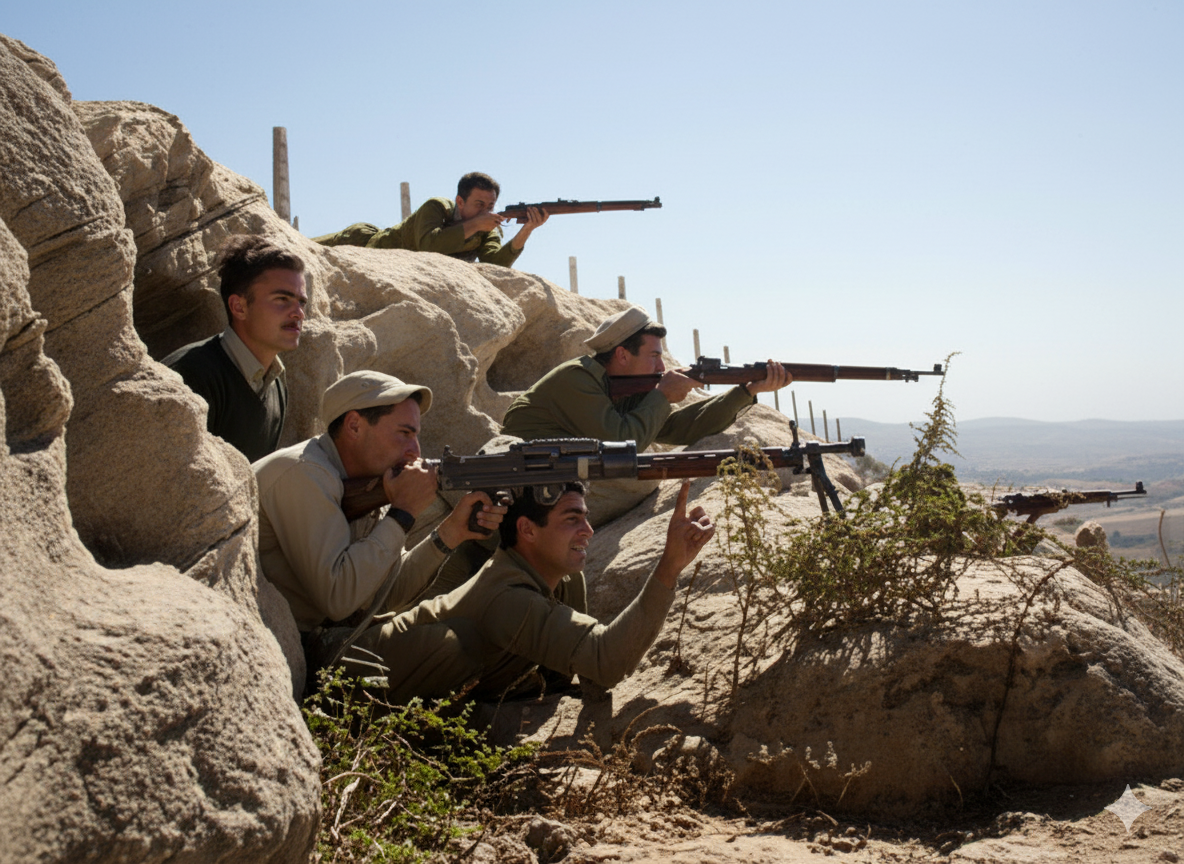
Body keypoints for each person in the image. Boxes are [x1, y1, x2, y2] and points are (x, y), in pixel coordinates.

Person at [345, 479, 714, 702]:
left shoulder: (564, 580)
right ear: (528, 530)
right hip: (350, 686)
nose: (588, 530)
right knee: (455, 646)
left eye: (585, 517)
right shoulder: (509, 597)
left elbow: (579, 673)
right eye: (572, 520)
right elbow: (605, 662)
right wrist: (669, 566)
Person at [254, 370, 508, 666]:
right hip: (277, 646)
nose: (415, 451)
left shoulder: (368, 482)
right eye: (404, 433)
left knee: (484, 633)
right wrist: (402, 514)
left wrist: (452, 532)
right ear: (354, 425)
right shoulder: (302, 473)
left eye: (416, 436)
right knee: (461, 645)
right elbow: (338, 599)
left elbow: (384, 596)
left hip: (322, 637)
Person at [500, 306, 791, 451]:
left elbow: (679, 428)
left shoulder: (622, 385)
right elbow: (620, 443)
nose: (661, 365)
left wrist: (747, 390)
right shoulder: (577, 378)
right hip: (515, 477)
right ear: (623, 355)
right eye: (653, 356)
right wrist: (662, 396)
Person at [163, 235, 307, 462]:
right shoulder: (189, 377)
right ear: (238, 307)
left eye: (301, 302)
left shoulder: (276, 382)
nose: (298, 313)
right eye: (282, 299)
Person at [313, 172, 548, 267]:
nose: (486, 211)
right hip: (361, 244)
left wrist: (527, 230)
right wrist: (476, 224)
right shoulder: (437, 207)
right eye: (479, 205)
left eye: (490, 206)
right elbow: (429, 245)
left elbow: (494, 265)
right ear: (460, 201)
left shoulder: (489, 228)